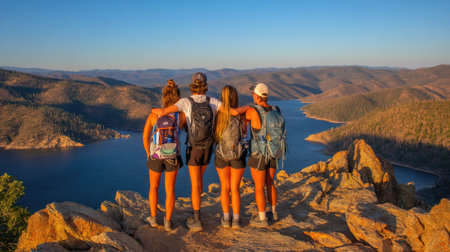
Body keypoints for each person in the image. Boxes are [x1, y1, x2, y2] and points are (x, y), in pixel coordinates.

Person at [152, 72, 249, 231]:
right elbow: (234, 112)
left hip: (194, 149)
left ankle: (197, 220)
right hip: (208, 148)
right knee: (200, 182)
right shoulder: (213, 101)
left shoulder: (185, 102)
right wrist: (249, 107)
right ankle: (199, 215)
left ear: (192, 85)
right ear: (205, 85)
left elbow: (163, 112)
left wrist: (152, 110)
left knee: (195, 185)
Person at [143, 79, 186, 231]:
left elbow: (145, 137)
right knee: (170, 189)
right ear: (178, 98)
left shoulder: (153, 115)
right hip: (173, 155)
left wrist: (150, 154)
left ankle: (153, 219)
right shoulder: (181, 116)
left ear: (163, 97)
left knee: (154, 187)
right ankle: (168, 221)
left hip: (155, 155)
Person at [245, 83, 285, 228]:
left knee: (259, 187)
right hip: (274, 151)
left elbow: (241, 119)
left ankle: (262, 219)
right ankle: (273, 213)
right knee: (270, 182)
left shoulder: (252, 112)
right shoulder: (277, 109)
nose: (252, 96)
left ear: (257, 96)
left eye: (253, 94)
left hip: (258, 154)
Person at [214, 85, 248, 229]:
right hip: (238, 155)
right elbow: (245, 133)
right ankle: (236, 220)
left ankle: (226, 219)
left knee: (224, 187)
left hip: (221, 155)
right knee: (235, 188)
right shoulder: (242, 114)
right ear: (235, 96)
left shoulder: (218, 114)